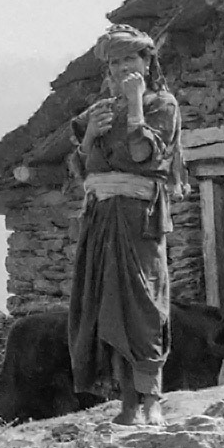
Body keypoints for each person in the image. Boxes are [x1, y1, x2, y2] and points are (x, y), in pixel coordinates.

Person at [67, 24, 186, 426]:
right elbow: (83, 168)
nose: (121, 69)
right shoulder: (97, 112)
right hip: (100, 219)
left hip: (140, 221)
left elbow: (142, 155)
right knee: (104, 306)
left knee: (143, 306)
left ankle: (152, 400)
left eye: (129, 59)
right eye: (115, 62)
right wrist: (89, 138)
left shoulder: (162, 105)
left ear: (147, 61)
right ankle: (127, 405)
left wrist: (135, 105)